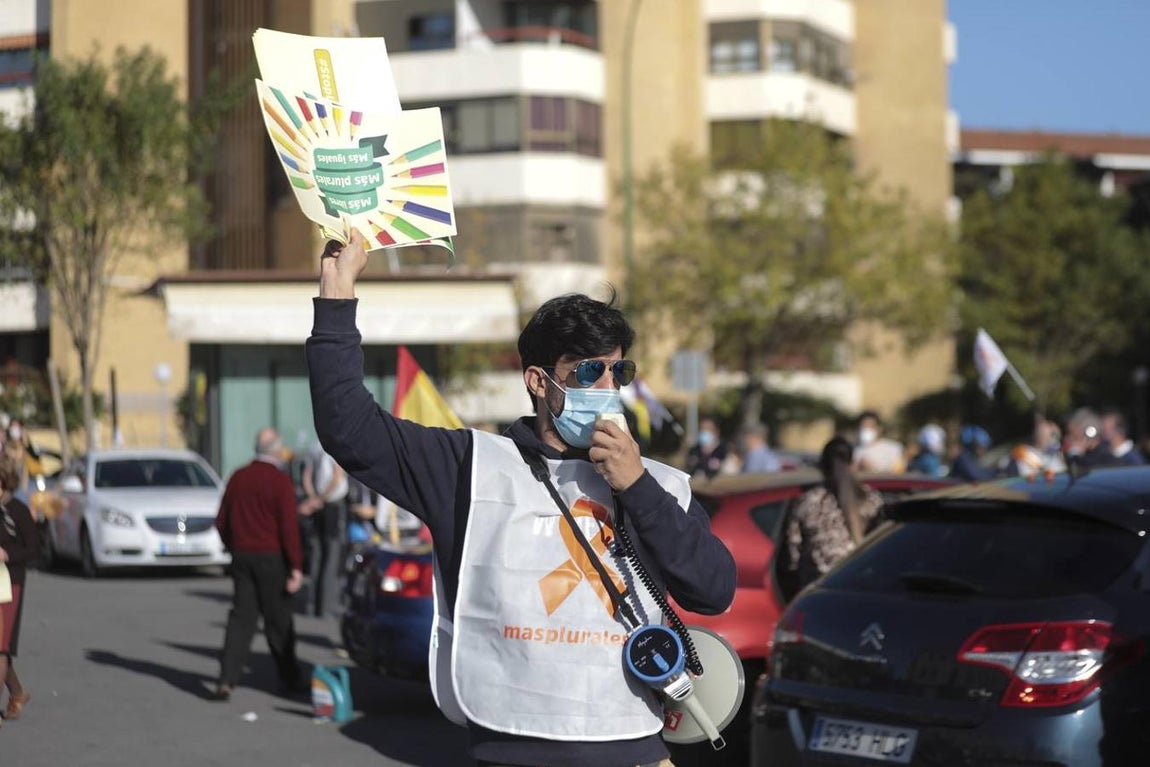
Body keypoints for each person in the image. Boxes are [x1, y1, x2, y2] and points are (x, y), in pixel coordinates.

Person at [307, 230, 736, 767]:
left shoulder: (659, 483)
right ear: (538, 381)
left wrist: (637, 487)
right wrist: (336, 292)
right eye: (586, 372)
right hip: (513, 743)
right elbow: (348, 427)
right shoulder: (471, 467)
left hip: (633, 748)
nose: (606, 387)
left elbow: (714, 591)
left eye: (616, 370)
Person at [212, 427, 306, 701]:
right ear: (276, 450)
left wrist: (234, 545)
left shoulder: (238, 477)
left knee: (241, 619)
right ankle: (289, 678)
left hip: (242, 556)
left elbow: (221, 520)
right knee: (278, 621)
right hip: (271, 559)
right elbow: (289, 528)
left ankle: (226, 679)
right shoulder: (280, 481)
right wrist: (296, 566)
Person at [779, 437, 884, 601]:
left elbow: (793, 555)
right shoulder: (872, 500)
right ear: (853, 463)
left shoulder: (808, 501)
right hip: (862, 589)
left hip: (817, 591)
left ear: (822, 466)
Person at [0, 451, 37, 725]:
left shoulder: (18, 511)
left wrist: (7, 556)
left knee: (1, 649)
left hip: (10, 583)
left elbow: (33, 549)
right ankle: (17, 693)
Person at [300, 445, 348, 617]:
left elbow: (307, 476)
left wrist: (313, 499)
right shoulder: (334, 444)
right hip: (332, 505)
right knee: (332, 557)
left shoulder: (314, 448)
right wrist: (321, 499)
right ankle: (327, 607)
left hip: (318, 506)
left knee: (317, 555)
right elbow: (337, 477)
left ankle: (312, 604)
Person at [685, 417, 729, 481]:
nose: (704, 432)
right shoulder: (694, 450)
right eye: (702, 429)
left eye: (708, 429)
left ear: (716, 432)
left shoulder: (724, 450)